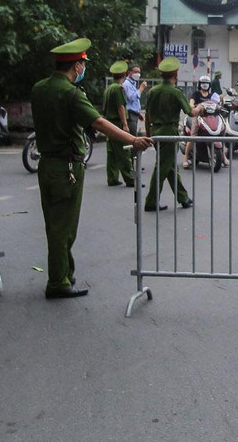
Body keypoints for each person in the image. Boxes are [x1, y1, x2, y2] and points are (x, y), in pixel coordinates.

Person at [31, 38, 152, 298]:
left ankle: (64, 273)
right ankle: (58, 283)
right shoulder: (72, 93)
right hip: (67, 168)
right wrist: (133, 139)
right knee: (64, 227)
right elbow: (97, 122)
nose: (83, 68)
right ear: (76, 66)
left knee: (54, 223)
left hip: (47, 164)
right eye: (82, 64)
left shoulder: (39, 88)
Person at [144, 58, 195, 212]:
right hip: (170, 132)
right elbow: (190, 112)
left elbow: (147, 115)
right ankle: (151, 201)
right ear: (175, 74)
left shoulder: (153, 91)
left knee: (169, 166)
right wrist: (201, 109)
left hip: (156, 131)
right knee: (162, 167)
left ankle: (183, 197)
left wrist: (148, 134)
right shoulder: (175, 92)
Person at [101, 60, 135, 188]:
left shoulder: (109, 88)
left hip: (109, 123)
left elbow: (104, 108)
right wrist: (125, 124)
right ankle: (130, 179)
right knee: (124, 152)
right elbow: (121, 107)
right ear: (125, 74)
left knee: (111, 153)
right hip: (117, 124)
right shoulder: (118, 89)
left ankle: (112, 178)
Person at [183, 75, 224, 169]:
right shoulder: (196, 94)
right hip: (198, 117)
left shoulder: (211, 96)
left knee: (220, 133)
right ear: (199, 84)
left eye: (206, 83)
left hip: (210, 117)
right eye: (203, 83)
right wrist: (192, 106)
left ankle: (223, 156)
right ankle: (185, 157)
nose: (205, 85)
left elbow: (217, 104)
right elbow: (191, 103)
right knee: (193, 135)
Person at [123, 64, 146, 136]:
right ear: (129, 72)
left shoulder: (133, 83)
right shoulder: (127, 84)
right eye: (135, 72)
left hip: (134, 114)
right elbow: (131, 98)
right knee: (132, 137)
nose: (138, 74)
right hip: (130, 115)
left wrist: (138, 113)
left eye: (139, 72)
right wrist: (141, 89)